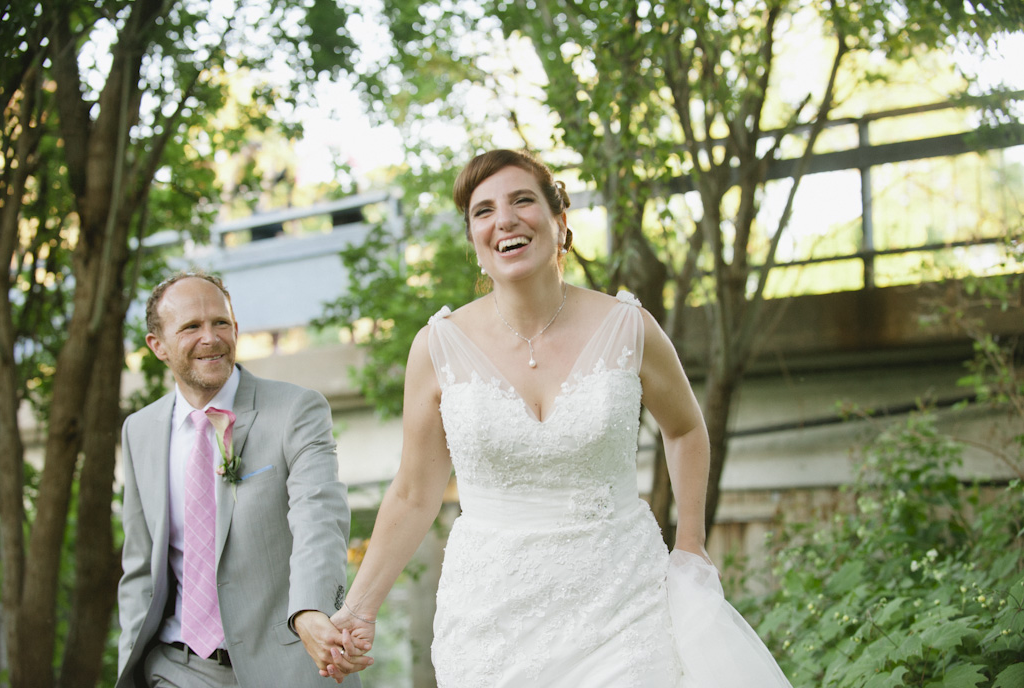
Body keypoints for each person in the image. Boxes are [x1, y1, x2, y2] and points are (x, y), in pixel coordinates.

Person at [327, 150, 792, 686]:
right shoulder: (437, 347)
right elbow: (413, 492)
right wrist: (360, 607)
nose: (504, 219)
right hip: (489, 620)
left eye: (522, 200)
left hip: (624, 603)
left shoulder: (628, 326)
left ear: (560, 224)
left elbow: (685, 429)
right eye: (483, 211)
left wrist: (690, 542)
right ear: (476, 242)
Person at [116, 271, 370, 688]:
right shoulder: (139, 431)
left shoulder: (296, 410)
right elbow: (139, 565)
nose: (210, 338)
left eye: (220, 323)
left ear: (235, 328)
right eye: (191, 327)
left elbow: (319, 520)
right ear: (157, 346)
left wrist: (310, 609)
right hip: (176, 667)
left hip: (287, 664)